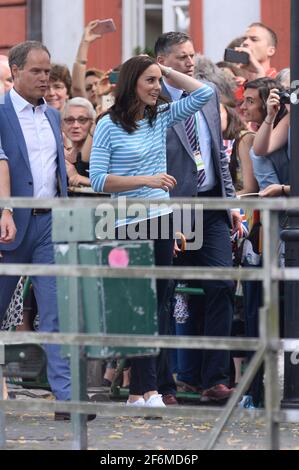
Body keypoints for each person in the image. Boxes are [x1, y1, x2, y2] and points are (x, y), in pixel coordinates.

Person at [90, 54, 214, 407]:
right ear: (132, 84)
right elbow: (99, 180)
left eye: (159, 81)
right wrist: (147, 180)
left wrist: (169, 71)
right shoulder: (107, 125)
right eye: (150, 80)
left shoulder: (160, 116)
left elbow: (204, 94)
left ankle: (144, 390)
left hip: (161, 220)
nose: (157, 88)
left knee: (159, 305)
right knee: (139, 307)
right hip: (127, 222)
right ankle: (146, 390)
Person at [0, 41, 94, 421]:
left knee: (58, 311)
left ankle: (67, 399)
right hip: (9, 223)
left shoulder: (54, 116)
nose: (45, 78)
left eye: (48, 71)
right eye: (37, 71)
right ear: (16, 70)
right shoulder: (1, 112)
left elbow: (59, 171)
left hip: (50, 223)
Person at [155, 31, 238, 402]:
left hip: (211, 205)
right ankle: (163, 383)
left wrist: (232, 203)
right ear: (162, 61)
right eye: (182, 57)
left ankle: (214, 379)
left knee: (221, 284)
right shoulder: (151, 100)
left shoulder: (205, 96)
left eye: (192, 56)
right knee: (165, 291)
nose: (190, 63)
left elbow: (218, 155)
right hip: (171, 207)